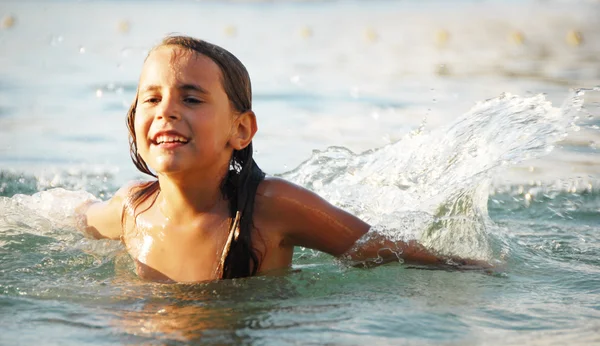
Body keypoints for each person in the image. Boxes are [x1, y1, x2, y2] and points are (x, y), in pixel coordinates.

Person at [80, 35, 487, 283]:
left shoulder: (272, 207)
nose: (166, 110)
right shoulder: (131, 208)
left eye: (190, 98)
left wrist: (472, 268)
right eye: (151, 98)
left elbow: (376, 249)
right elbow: (76, 216)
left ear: (240, 130)